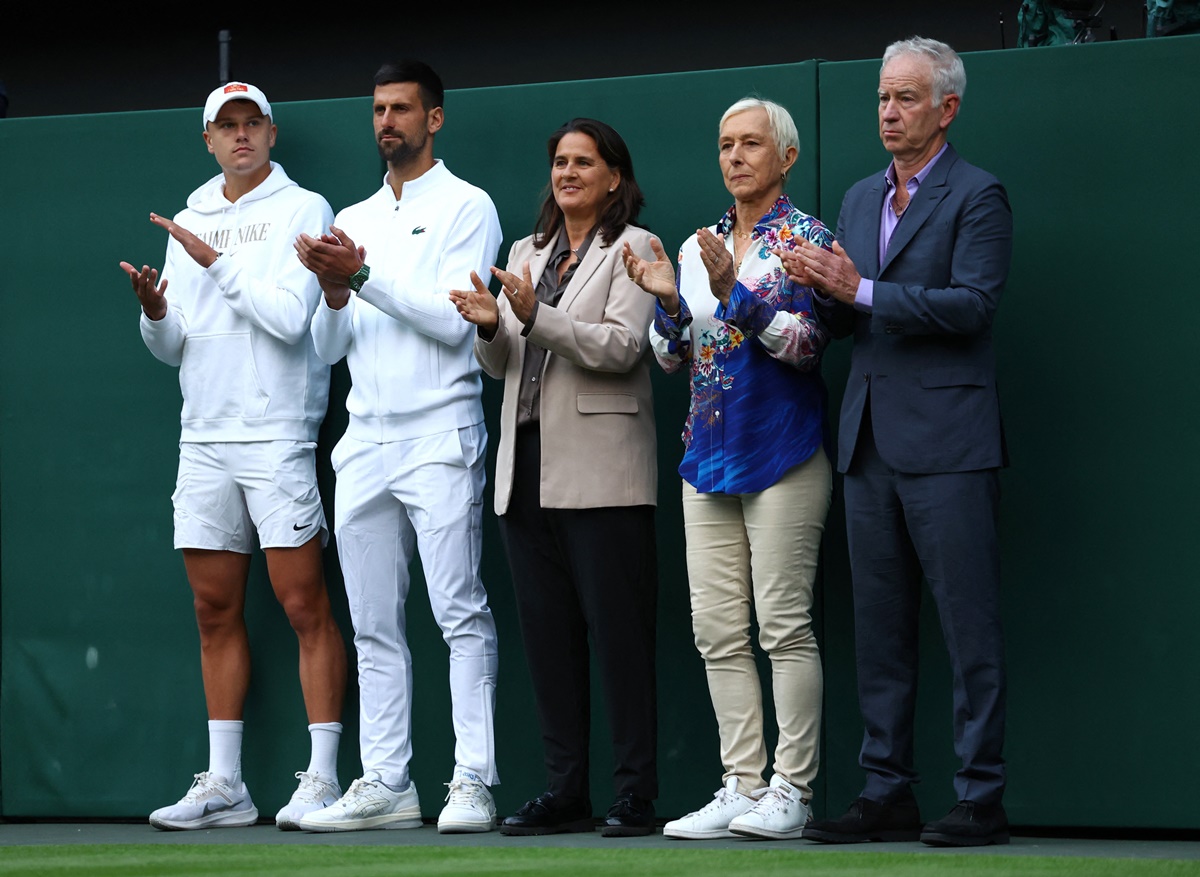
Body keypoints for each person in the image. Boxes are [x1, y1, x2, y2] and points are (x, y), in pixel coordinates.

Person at [777, 37, 1013, 847]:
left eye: (906, 98)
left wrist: (862, 287)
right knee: (879, 628)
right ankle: (887, 791)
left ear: (947, 108)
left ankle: (981, 795)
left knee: (967, 625)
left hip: (950, 442)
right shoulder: (854, 199)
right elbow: (850, 319)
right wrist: (821, 290)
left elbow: (973, 305)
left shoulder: (979, 196)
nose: (887, 110)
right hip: (868, 443)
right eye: (882, 96)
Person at [118, 81, 347, 831]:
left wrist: (213, 262)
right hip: (204, 437)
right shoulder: (187, 218)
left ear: (271, 135)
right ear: (209, 141)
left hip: (279, 433)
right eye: (228, 127)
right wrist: (156, 311)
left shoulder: (305, 210)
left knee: (303, 604)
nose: (241, 137)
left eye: (253, 125)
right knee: (213, 610)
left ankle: (320, 776)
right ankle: (226, 783)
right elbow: (173, 346)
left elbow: (288, 320)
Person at [292, 60, 503, 834]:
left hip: (440, 434)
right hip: (366, 442)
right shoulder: (353, 213)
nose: (388, 121)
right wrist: (337, 291)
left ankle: (473, 778)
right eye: (378, 108)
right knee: (373, 621)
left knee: (459, 612)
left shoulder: (468, 205)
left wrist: (363, 273)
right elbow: (328, 344)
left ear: (434, 118)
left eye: (402, 109)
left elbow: (455, 319)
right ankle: (386, 781)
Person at [623, 98, 832, 841]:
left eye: (751, 144)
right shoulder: (699, 240)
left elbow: (809, 346)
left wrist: (732, 297)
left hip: (782, 452)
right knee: (716, 630)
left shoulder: (807, 239)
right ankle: (742, 783)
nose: (735, 156)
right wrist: (670, 306)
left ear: (787, 157)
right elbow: (672, 356)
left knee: (783, 625)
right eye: (725, 145)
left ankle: (791, 790)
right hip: (705, 455)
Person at [451, 118, 659, 838]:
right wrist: (489, 326)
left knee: (620, 639)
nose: (567, 172)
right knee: (549, 641)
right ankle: (564, 789)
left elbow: (622, 347)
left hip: (602, 472)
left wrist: (535, 316)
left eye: (583, 161)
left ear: (613, 177)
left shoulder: (637, 247)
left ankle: (634, 793)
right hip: (526, 468)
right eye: (560, 162)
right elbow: (504, 362)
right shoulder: (525, 251)